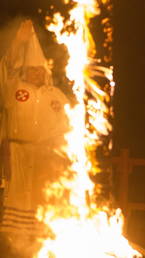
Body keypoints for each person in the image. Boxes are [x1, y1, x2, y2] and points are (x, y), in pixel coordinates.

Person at [0, 19, 69, 256]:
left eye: (41, 69)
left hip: (45, 157)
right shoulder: (13, 88)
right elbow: (7, 65)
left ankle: (39, 248)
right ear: (25, 70)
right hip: (17, 153)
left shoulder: (56, 95)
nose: (37, 73)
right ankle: (12, 247)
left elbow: (69, 127)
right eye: (33, 69)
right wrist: (19, 41)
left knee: (42, 202)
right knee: (18, 198)